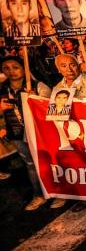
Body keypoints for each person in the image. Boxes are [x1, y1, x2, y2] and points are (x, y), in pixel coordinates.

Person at [0, 55, 54, 210]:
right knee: (30, 164)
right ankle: (39, 194)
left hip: (40, 133)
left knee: (49, 162)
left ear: (25, 68)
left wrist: (36, 101)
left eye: (15, 67)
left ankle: (58, 193)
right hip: (16, 133)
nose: (11, 72)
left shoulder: (38, 86)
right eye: (6, 68)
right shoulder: (3, 90)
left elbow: (52, 110)